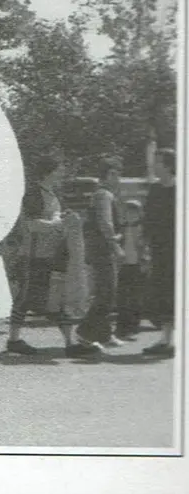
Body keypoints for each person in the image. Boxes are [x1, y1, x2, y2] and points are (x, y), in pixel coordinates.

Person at [8, 155, 101, 357]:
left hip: (50, 256)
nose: (62, 173)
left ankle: (69, 344)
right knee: (25, 299)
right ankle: (14, 340)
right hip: (33, 256)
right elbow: (32, 225)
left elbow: (53, 221)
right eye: (59, 169)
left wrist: (63, 220)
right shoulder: (34, 194)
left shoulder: (52, 195)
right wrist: (60, 224)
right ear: (48, 172)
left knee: (55, 299)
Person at [75, 155, 126, 350]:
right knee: (106, 293)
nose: (117, 178)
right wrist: (116, 246)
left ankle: (105, 334)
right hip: (103, 250)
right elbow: (106, 223)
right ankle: (84, 333)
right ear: (107, 174)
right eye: (115, 174)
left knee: (107, 292)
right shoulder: (104, 194)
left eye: (118, 174)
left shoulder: (101, 194)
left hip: (100, 249)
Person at [142, 147, 176, 358]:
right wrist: (144, 244)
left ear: (168, 165)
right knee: (164, 293)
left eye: (158, 162)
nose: (154, 165)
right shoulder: (155, 189)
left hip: (178, 249)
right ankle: (166, 340)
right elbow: (148, 219)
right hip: (160, 250)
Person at [115, 199, 148, 338]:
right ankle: (122, 324)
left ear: (139, 214)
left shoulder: (142, 228)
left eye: (134, 213)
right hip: (124, 264)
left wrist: (145, 262)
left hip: (137, 265)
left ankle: (133, 325)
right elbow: (119, 238)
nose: (131, 215)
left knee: (136, 297)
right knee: (122, 295)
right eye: (128, 212)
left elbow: (145, 247)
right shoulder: (122, 227)